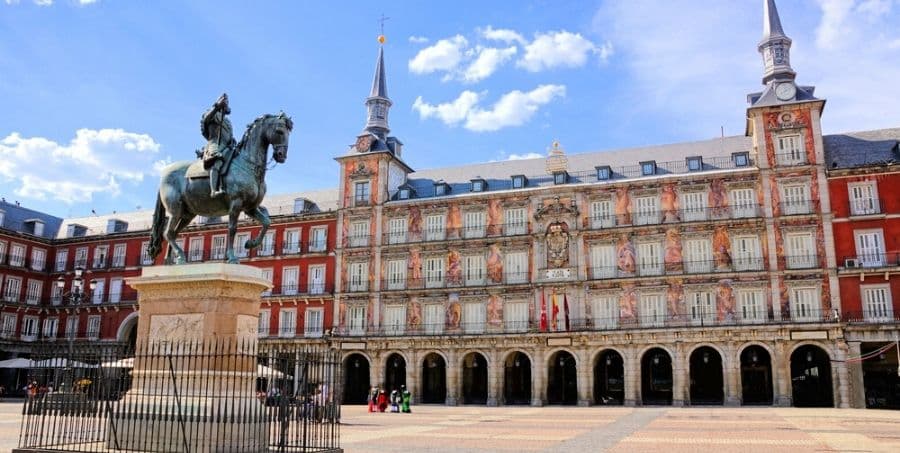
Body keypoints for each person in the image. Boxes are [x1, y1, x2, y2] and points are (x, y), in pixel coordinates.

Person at [200, 92, 236, 197]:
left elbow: (229, 136)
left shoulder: (228, 122)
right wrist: (216, 107)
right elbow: (206, 119)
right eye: (225, 102)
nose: (226, 104)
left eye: (227, 102)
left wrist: (232, 140)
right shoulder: (212, 113)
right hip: (215, 144)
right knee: (218, 161)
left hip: (227, 147)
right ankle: (213, 190)